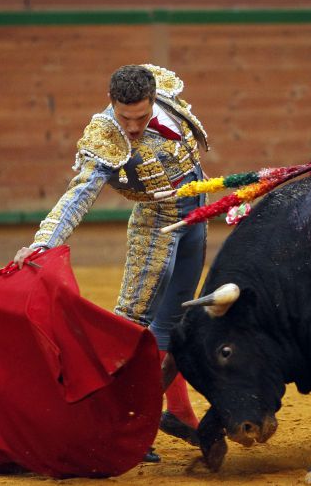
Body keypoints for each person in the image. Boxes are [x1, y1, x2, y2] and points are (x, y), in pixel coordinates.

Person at [14, 64, 209, 461]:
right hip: (154, 228)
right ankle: (119, 424)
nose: (132, 127)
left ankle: (178, 413)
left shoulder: (168, 97)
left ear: (153, 100)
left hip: (196, 217)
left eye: (140, 117)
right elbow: (79, 193)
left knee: (176, 319)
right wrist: (43, 242)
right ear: (112, 105)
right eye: (124, 117)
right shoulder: (104, 135)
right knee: (130, 326)